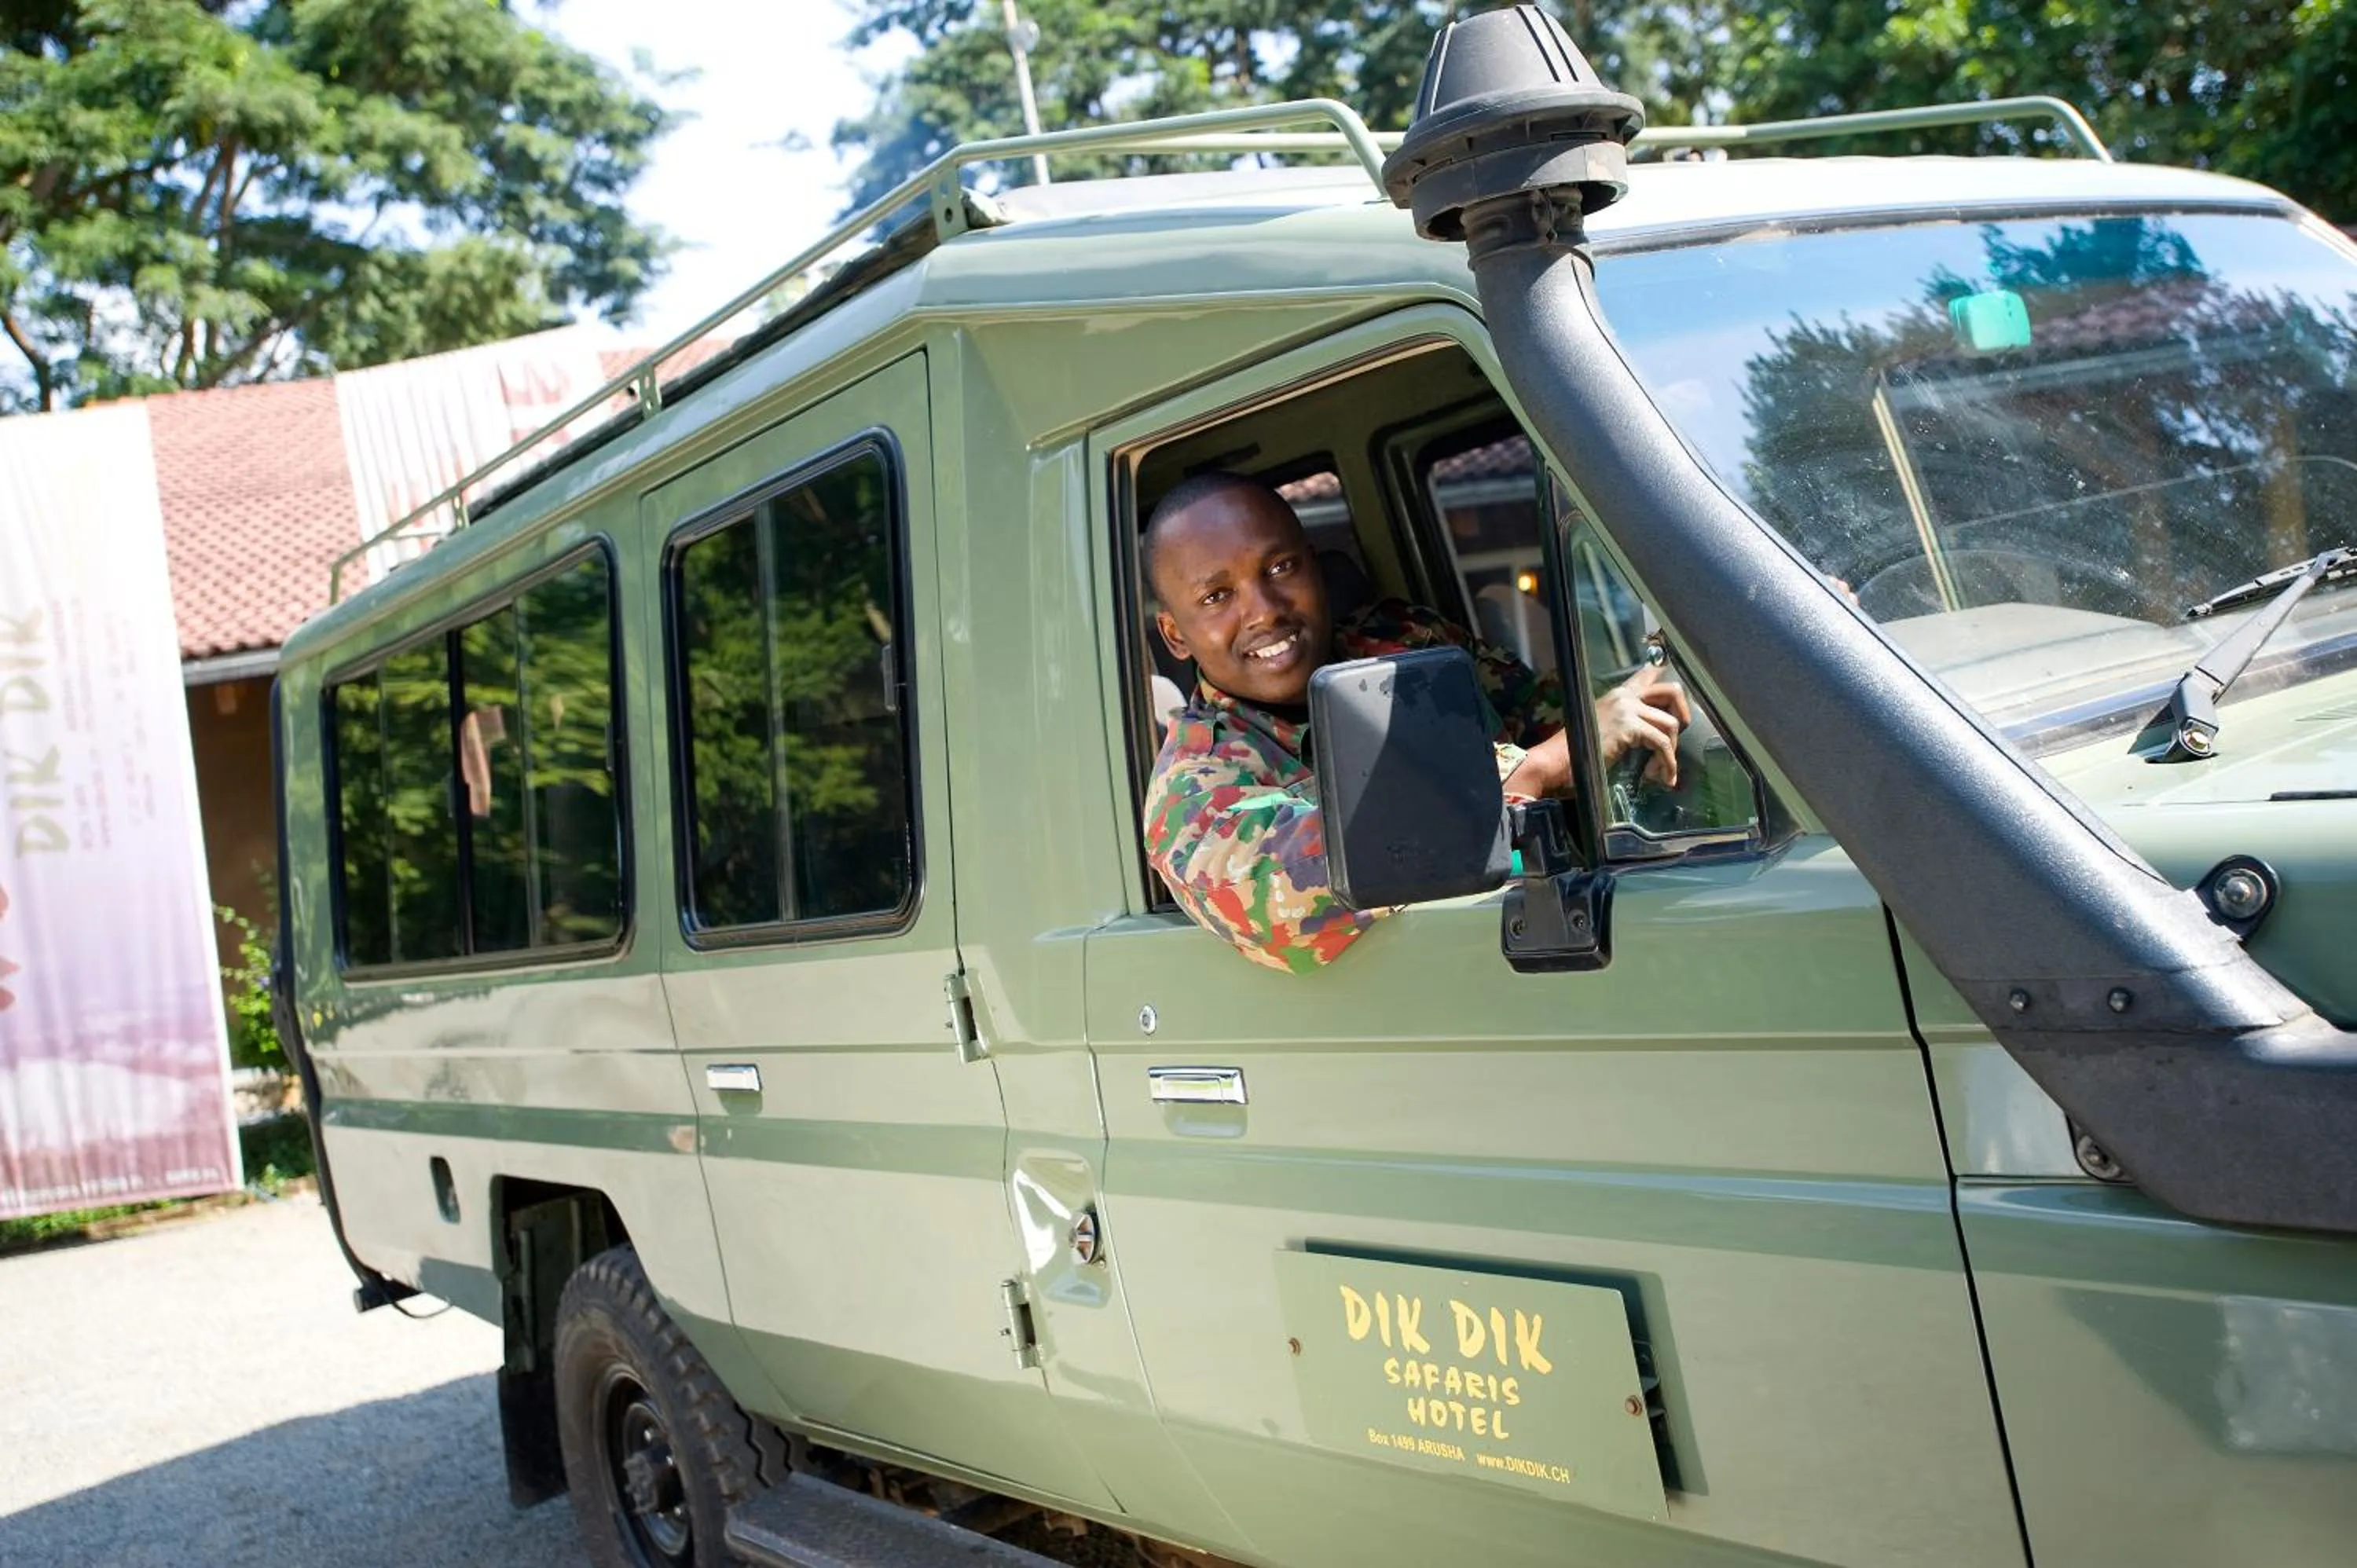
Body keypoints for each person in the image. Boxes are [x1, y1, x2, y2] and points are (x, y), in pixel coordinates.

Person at [1141, 471, 1690, 973]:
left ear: (1315, 564)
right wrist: (1545, 766)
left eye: (1281, 567)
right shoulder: (1192, 795)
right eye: (1217, 596)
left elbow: (1552, 714)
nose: (1264, 610)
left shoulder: (1405, 640)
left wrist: (1642, 697)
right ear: (1175, 635)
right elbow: (1315, 890)